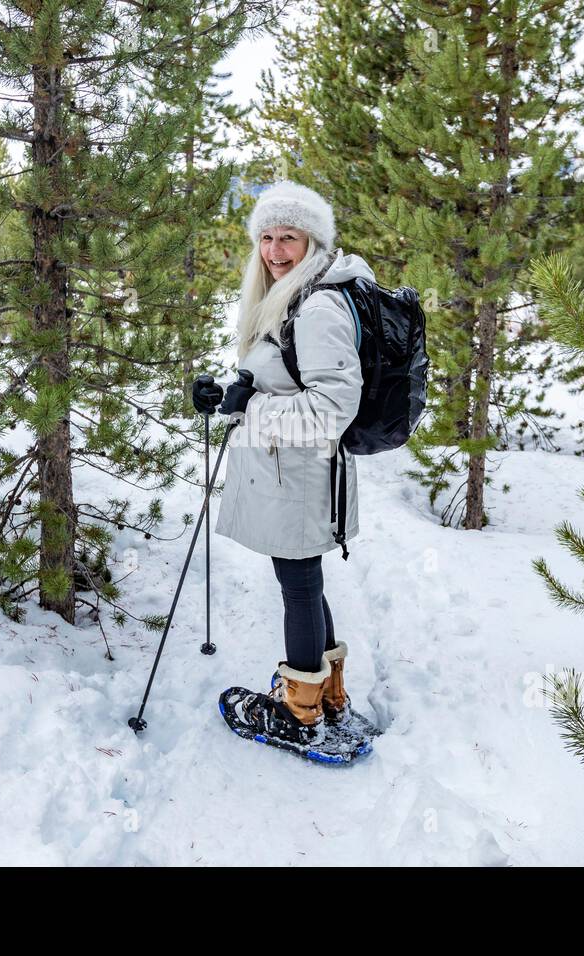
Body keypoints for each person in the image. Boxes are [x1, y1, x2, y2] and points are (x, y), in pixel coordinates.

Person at [191, 180, 375, 749]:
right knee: (304, 583)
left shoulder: (318, 306)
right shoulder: (293, 295)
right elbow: (283, 378)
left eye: (287, 237)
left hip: (300, 475)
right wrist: (228, 395)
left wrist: (254, 407)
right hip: (289, 469)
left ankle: (300, 712)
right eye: (267, 238)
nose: (274, 251)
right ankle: (329, 693)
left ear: (312, 242)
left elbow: (331, 409)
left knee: (298, 585)